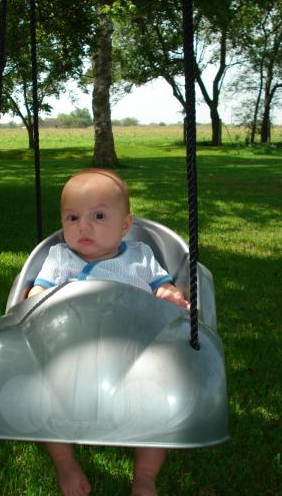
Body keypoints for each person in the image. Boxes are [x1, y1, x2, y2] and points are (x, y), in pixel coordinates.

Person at [28, 168, 189, 496]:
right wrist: (38, 300)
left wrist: (170, 295)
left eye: (98, 216)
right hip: (72, 351)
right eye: (72, 218)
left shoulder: (140, 257)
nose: (83, 226)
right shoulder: (60, 258)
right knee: (45, 394)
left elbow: (164, 288)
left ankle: (144, 475)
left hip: (135, 353)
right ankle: (65, 462)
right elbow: (35, 294)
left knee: (157, 402)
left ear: (125, 226)